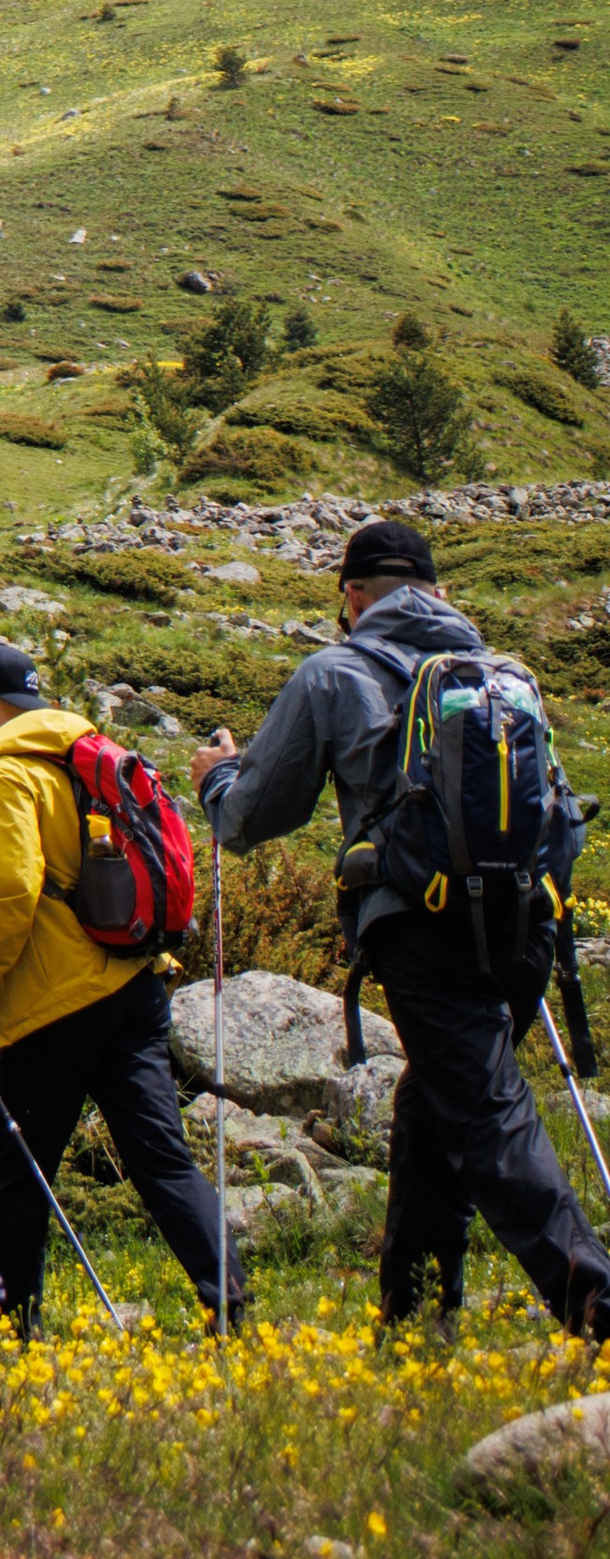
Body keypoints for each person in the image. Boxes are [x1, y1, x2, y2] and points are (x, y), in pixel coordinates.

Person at [195, 513, 610, 1337]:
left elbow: (249, 818)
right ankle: (414, 1320)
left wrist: (218, 777)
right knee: (437, 1105)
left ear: (352, 597)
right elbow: (561, 818)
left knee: (483, 1110)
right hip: (526, 928)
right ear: (439, 593)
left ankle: (593, 1294)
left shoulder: (332, 672)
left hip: (424, 931)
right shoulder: (507, 676)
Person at [0, 638, 242, 1335]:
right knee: (160, 1158)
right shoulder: (84, 750)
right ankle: (228, 1295)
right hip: (134, 986)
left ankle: (12, 1323)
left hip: (53, 1005)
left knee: (18, 1173)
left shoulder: (1, 772)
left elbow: (10, 892)